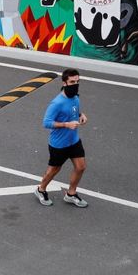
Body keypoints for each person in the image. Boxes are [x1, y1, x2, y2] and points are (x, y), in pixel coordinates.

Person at [34, 68, 89, 208]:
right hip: (59, 144)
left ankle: (71, 194)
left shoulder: (76, 97)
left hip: (74, 141)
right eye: (72, 82)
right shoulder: (57, 103)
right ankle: (41, 189)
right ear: (64, 83)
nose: (75, 84)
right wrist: (66, 124)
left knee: (81, 167)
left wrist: (81, 115)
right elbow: (46, 123)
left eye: (77, 81)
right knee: (54, 170)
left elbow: (75, 111)